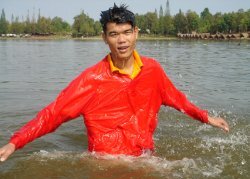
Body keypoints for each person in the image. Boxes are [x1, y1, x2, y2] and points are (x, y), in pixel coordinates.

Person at [0, 4, 229, 162]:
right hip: (105, 164)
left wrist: (205, 117)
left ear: (136, 33)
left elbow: (177, 99)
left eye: (127, 32)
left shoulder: (152, 70)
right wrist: (15, 143)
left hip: (146, 159)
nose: (122, 40)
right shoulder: (91, 80)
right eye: (114, 34)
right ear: (104, 38)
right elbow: (53, 114)